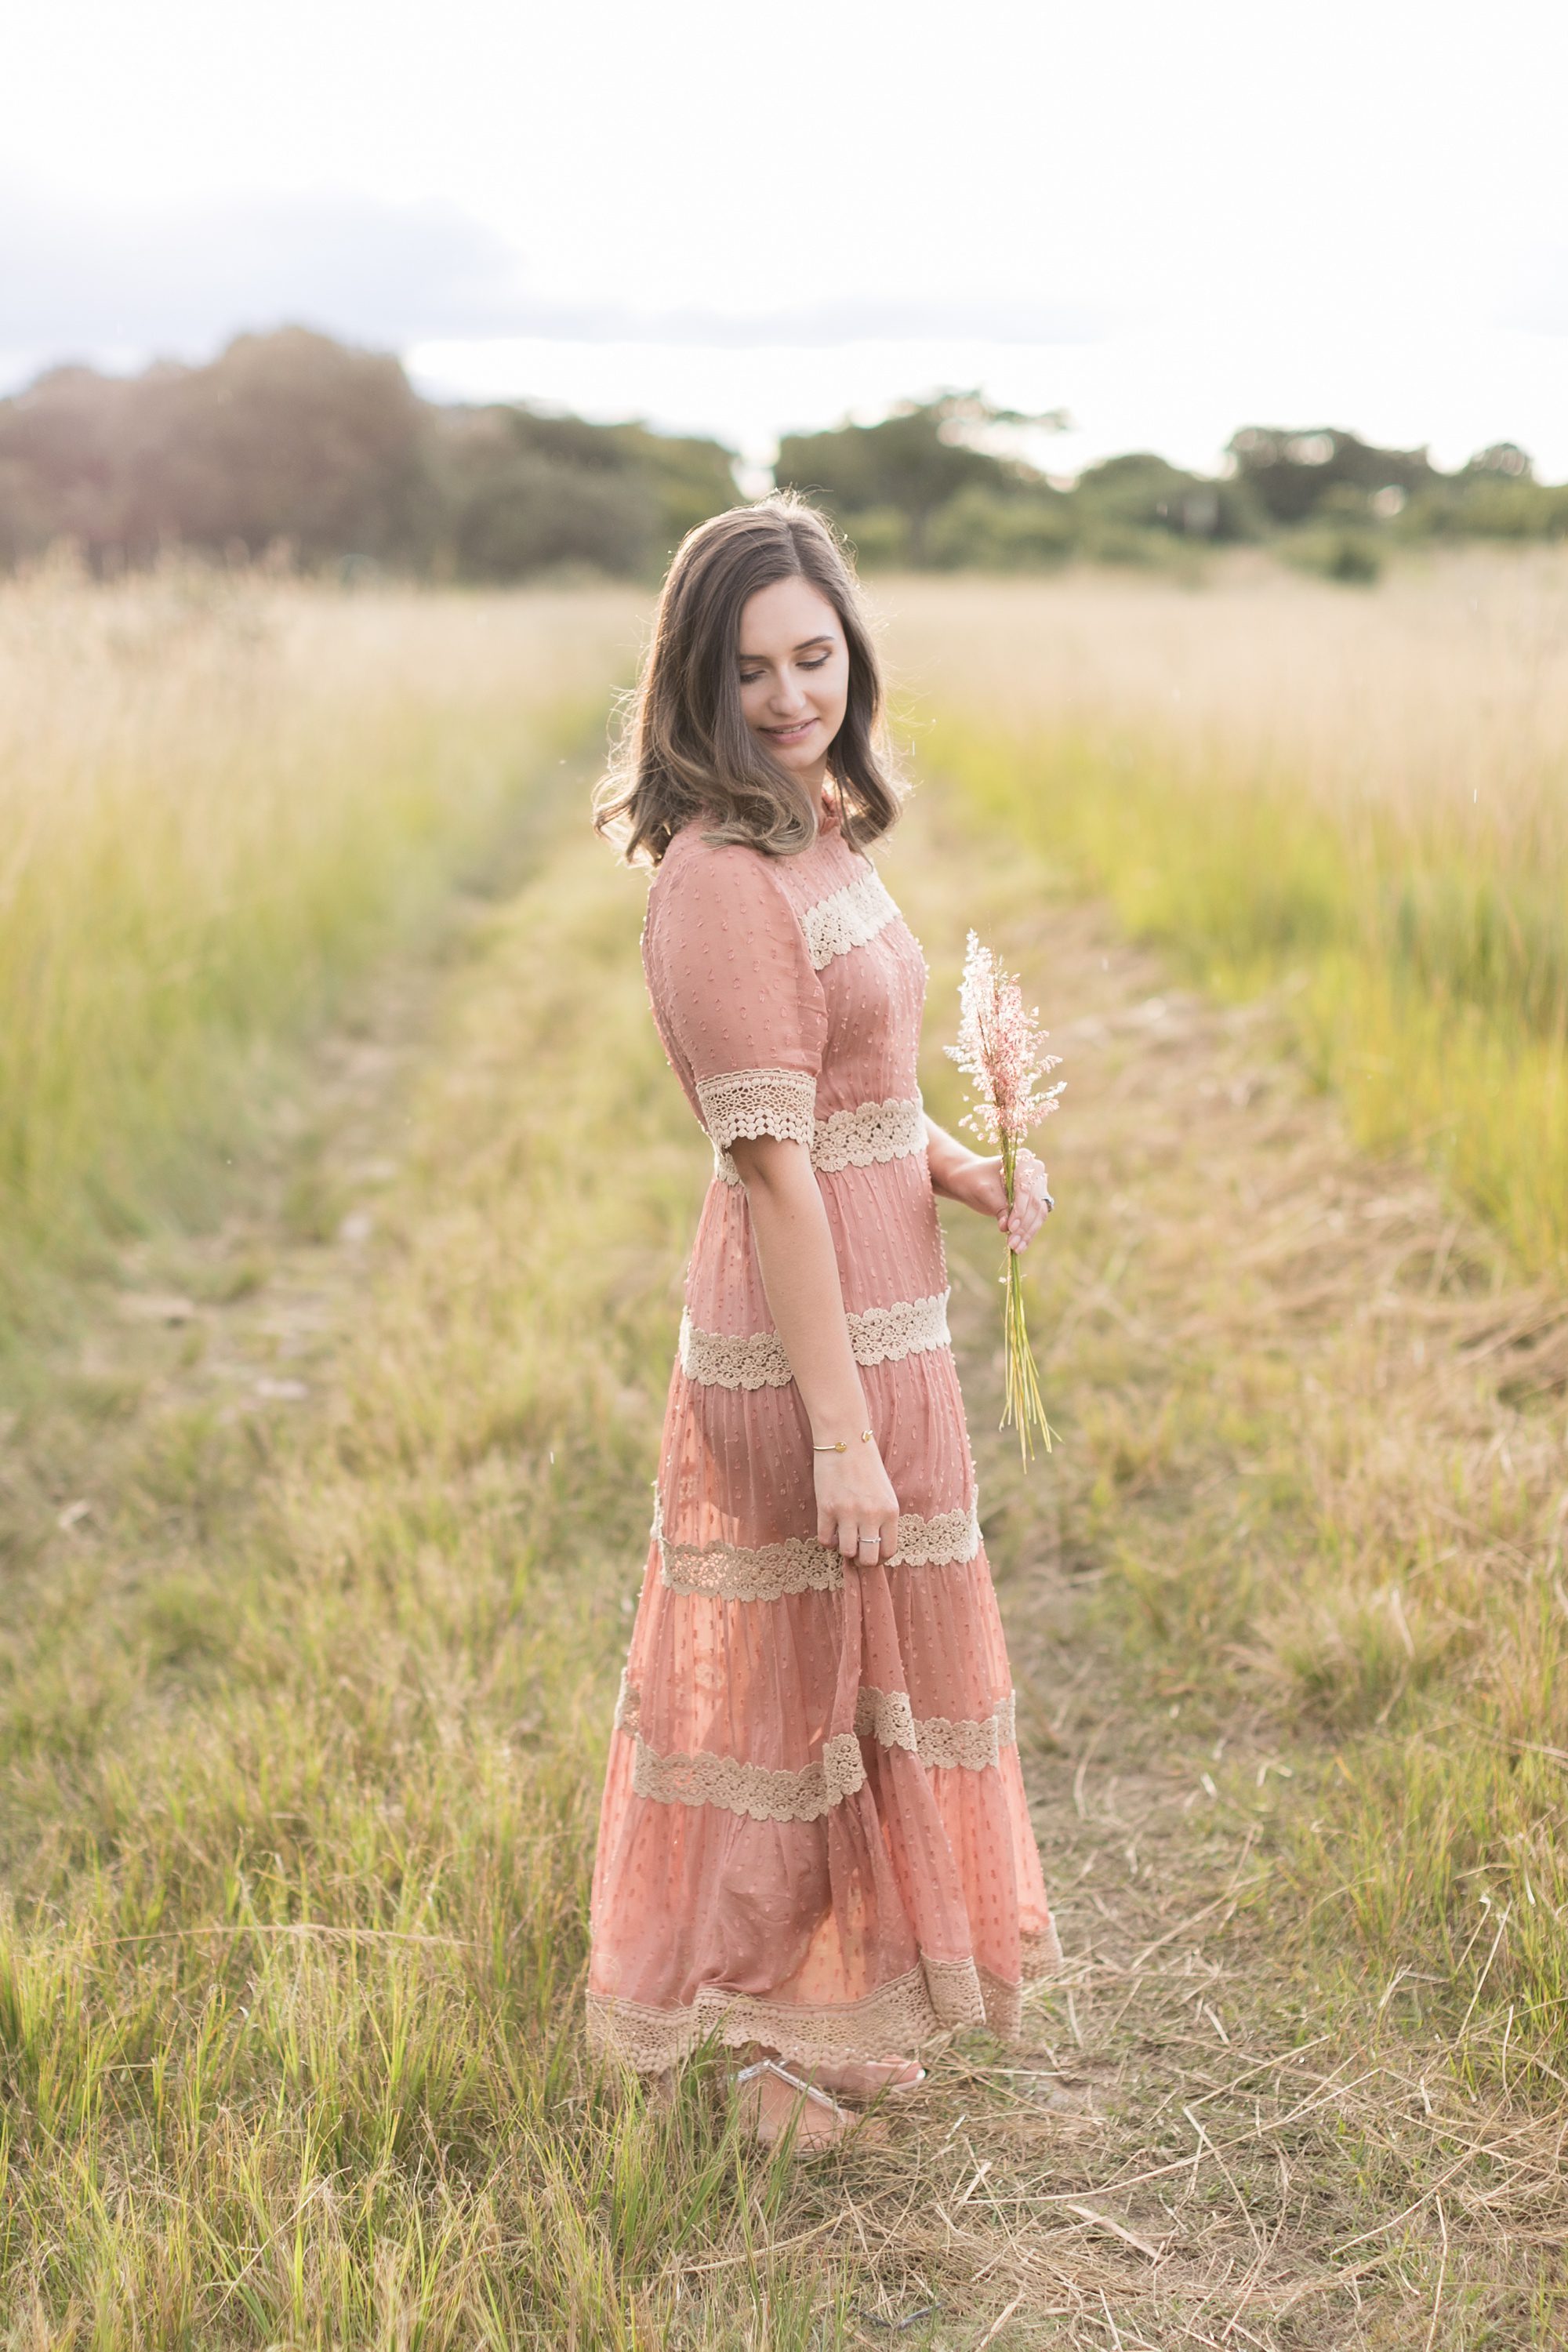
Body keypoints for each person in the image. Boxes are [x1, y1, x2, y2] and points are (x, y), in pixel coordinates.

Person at [587, 495, 1058, 2150]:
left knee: (862, 1692)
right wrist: (844, 1432)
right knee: (788, 1704)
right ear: (694, 685)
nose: (789, 694)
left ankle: (831, 2018)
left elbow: (860, 1093)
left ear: (850, 652)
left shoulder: (819, 830)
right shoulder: (719, 881)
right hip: (808, 1354)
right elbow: (776, 1174)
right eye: (750, 669)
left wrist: (966, 1174)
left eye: (813, 654)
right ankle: (756, 2059)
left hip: (891, 1318)